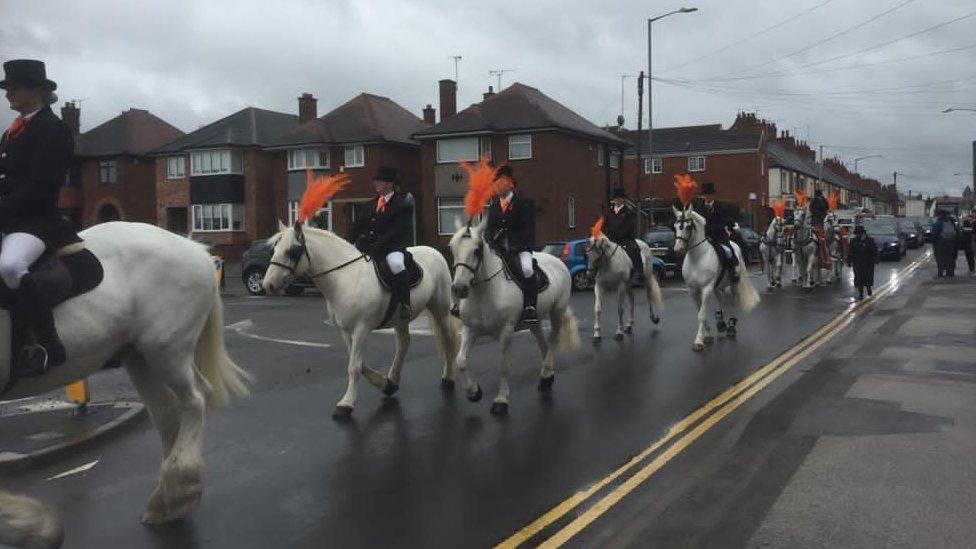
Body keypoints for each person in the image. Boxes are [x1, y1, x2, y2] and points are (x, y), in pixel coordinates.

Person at [0, 59, 78, 375]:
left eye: (12, 88)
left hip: (37, 222)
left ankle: (46, 343)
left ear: (34, 91)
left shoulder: (53, 130)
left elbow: (40, 188)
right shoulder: (11, 132)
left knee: (10, 266)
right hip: (8, 219)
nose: (7, 95)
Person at [352, 166, 414, 319]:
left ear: (390, 184)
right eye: (375, 181)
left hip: (392, 248)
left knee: (396, 264)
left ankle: (405, 303)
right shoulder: (370, 204)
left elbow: (396, 231)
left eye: (380, 181)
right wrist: (346, 242)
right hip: (369, 248)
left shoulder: (402, 204)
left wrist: (377, 245)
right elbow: (357, 227)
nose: (376, 184)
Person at [485, 165, 538, 323]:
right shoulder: (494, 207)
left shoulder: (522, 204)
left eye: (502, 183)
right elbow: (489, 229)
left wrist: (518, 245)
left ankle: (530, 306)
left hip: (521, 248)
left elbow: (528, 228)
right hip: (500, 249)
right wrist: (490, 242)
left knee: (527, 269)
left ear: (510, 184)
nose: (498, 187)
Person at [697, 183, 739, 283]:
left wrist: (716, 228)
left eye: (709, 194)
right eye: (706, 194)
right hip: (704, 237)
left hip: (718, 236)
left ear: (713, 195)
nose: (707, 197)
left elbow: (724, 221)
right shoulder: (699, 207)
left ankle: (733, 272)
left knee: (728, 251)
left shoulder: (720, 206)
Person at [603, 187, 644, 283]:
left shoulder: (628, 212)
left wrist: (619, 234)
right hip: (611, 239)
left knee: (634, 249)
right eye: (616, 198)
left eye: (619, 198)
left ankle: (638, 272)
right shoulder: (608, 212)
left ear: (623, 199)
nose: (617, 200)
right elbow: (605, 225)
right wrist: (606, 234)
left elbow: (629, 227)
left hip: (625, 239)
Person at [847, 225, 876, 300]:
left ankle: (869, 290)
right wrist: (849, 261)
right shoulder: (853, 241)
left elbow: (873, 251)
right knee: (859, 278)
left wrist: (875, 259)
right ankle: (861, 294)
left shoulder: (870, 240)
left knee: (868, 277)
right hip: (857, 263)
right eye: (857, 234)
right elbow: (850, 252)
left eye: (860, 234)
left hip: (868, 263)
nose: (858, 235)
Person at [931, 209, 959, 277]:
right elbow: (956, 231)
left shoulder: (938, 223)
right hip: (952, 242)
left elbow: (934, 234)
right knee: (951, 257)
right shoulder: (951, 221)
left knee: (941, 258)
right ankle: (950, 272)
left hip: (941, 243)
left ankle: (940, 273)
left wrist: (934, 243)